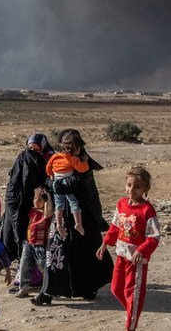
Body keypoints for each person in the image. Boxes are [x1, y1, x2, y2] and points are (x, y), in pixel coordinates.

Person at [31, 129, 113, 306]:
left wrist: (55, 184)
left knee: (85, 252)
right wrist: (54, 184)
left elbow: (71, 184)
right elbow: (49, 181)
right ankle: (48, 291)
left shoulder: (83, 162)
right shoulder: (62, 159)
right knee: (56, 252)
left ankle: (88, 288)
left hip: (81, 216)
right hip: (65, 215)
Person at [96, 167, 160, 331]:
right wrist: (105, 244)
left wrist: (141, 251)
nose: (132, 190)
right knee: (116, 288)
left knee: (133, 293)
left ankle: (130, 325)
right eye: (129, 185)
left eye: (137, 187)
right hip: (121, 255)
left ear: (145, 189)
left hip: (136, 260)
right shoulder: (121, 203)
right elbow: (115, 226)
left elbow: (154, 236)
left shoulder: (147, 210)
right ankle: (132, 310)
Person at [0, 132, 53, 292]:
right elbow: (14, 181)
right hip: (17, 205)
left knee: (38, 248)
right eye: (30, 148)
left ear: (43, 148)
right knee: (18, 238)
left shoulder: (49, 159)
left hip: (37, 207)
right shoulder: (22, 158)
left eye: (36, 149)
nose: (32, 152)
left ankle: (43, 281)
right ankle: (24, 280)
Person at [46, 133, 89, 237]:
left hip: (56, 183)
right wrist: (85, 161)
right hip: (67, 185)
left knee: (59, 205)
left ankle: (59, 224)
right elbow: (83, 169)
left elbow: (48, 167)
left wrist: (51, 175)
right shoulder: (72, 159)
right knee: (74, 203)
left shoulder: (55, 156)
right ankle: (78, 223)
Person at [15, 188, 53, 298]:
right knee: (24, 265)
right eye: (35, 198)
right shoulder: (32, 211)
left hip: (40, 245)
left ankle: (50, 287)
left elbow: (48, 212)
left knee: (43, 266)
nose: (36, 201)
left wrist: (47, 198)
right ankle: (23, 288)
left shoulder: (46, 214)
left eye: (40, 200)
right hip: (29, 243)